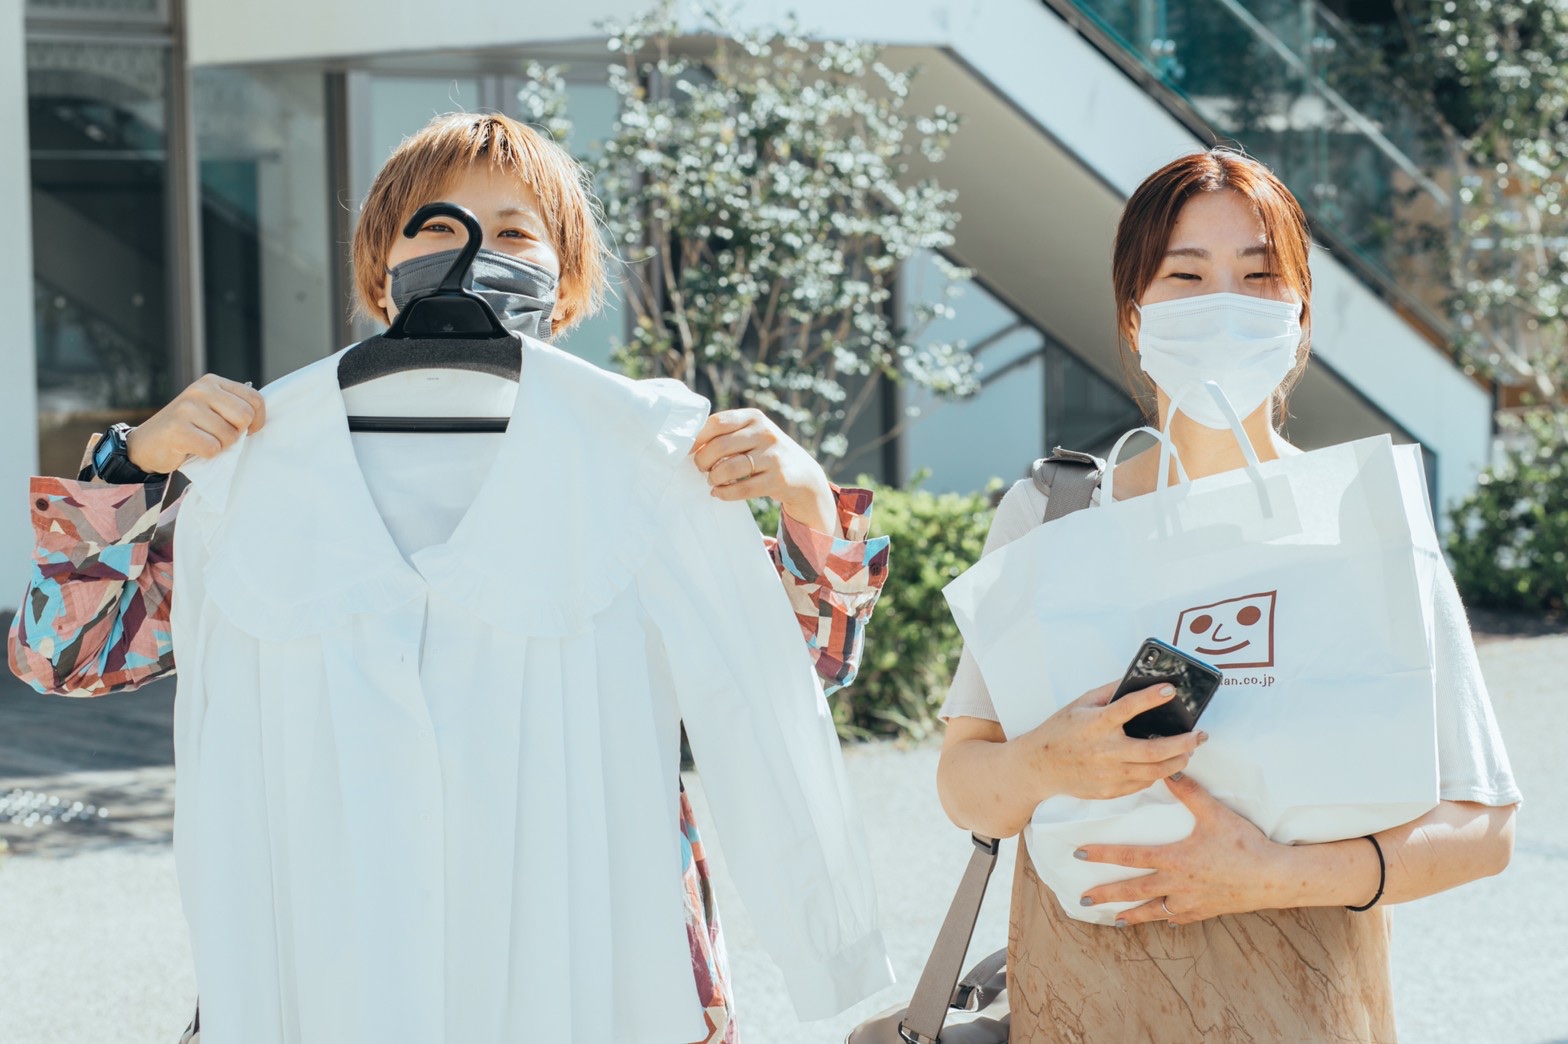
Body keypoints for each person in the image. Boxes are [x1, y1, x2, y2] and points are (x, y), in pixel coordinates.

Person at [8, 112, 892, 1044]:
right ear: (379, 268)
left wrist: (808, 509)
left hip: (591, 953)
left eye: (517, 231)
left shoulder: (642, 465)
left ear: (565, 280)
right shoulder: (253, 472)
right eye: (434, 225)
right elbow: (56, 654)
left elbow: (790, 676)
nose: (473, 251)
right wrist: (128, 466)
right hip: (324, 962)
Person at [934, 149, 1519, 1042]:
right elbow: (966, 786)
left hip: (1303, 1002)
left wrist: (1270, 874)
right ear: (1135, 316)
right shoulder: (1054, 513)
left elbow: (1482, 829)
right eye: (1187, 275)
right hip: (1081, 1003)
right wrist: (1046, 764)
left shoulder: (1361, 526)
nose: (1226, 305)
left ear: (1299, 318)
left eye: (1258, 276)